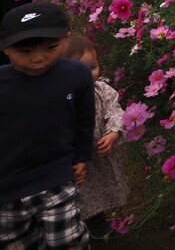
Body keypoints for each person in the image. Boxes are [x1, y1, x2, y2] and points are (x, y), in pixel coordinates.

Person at [0, 1, 94, 249]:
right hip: (6, 188)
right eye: (25, 51)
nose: (39, 58)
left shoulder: (77, 75)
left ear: (66, 38)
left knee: (68, 241)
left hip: (56, 176)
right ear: (5, 49)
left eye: (51, 47)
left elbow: (84, 121)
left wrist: (81, 156)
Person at [62, 35, 129, 240]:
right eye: (79, 70)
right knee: (84, 192)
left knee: (104, 186)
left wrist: (113, 133)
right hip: (77, 160)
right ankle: (94, 224)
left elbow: (115, 111)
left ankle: (102, 218)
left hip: (101, 152)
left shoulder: (101, 90)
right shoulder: (61, 98)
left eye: (93, 67)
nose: (88, 75)